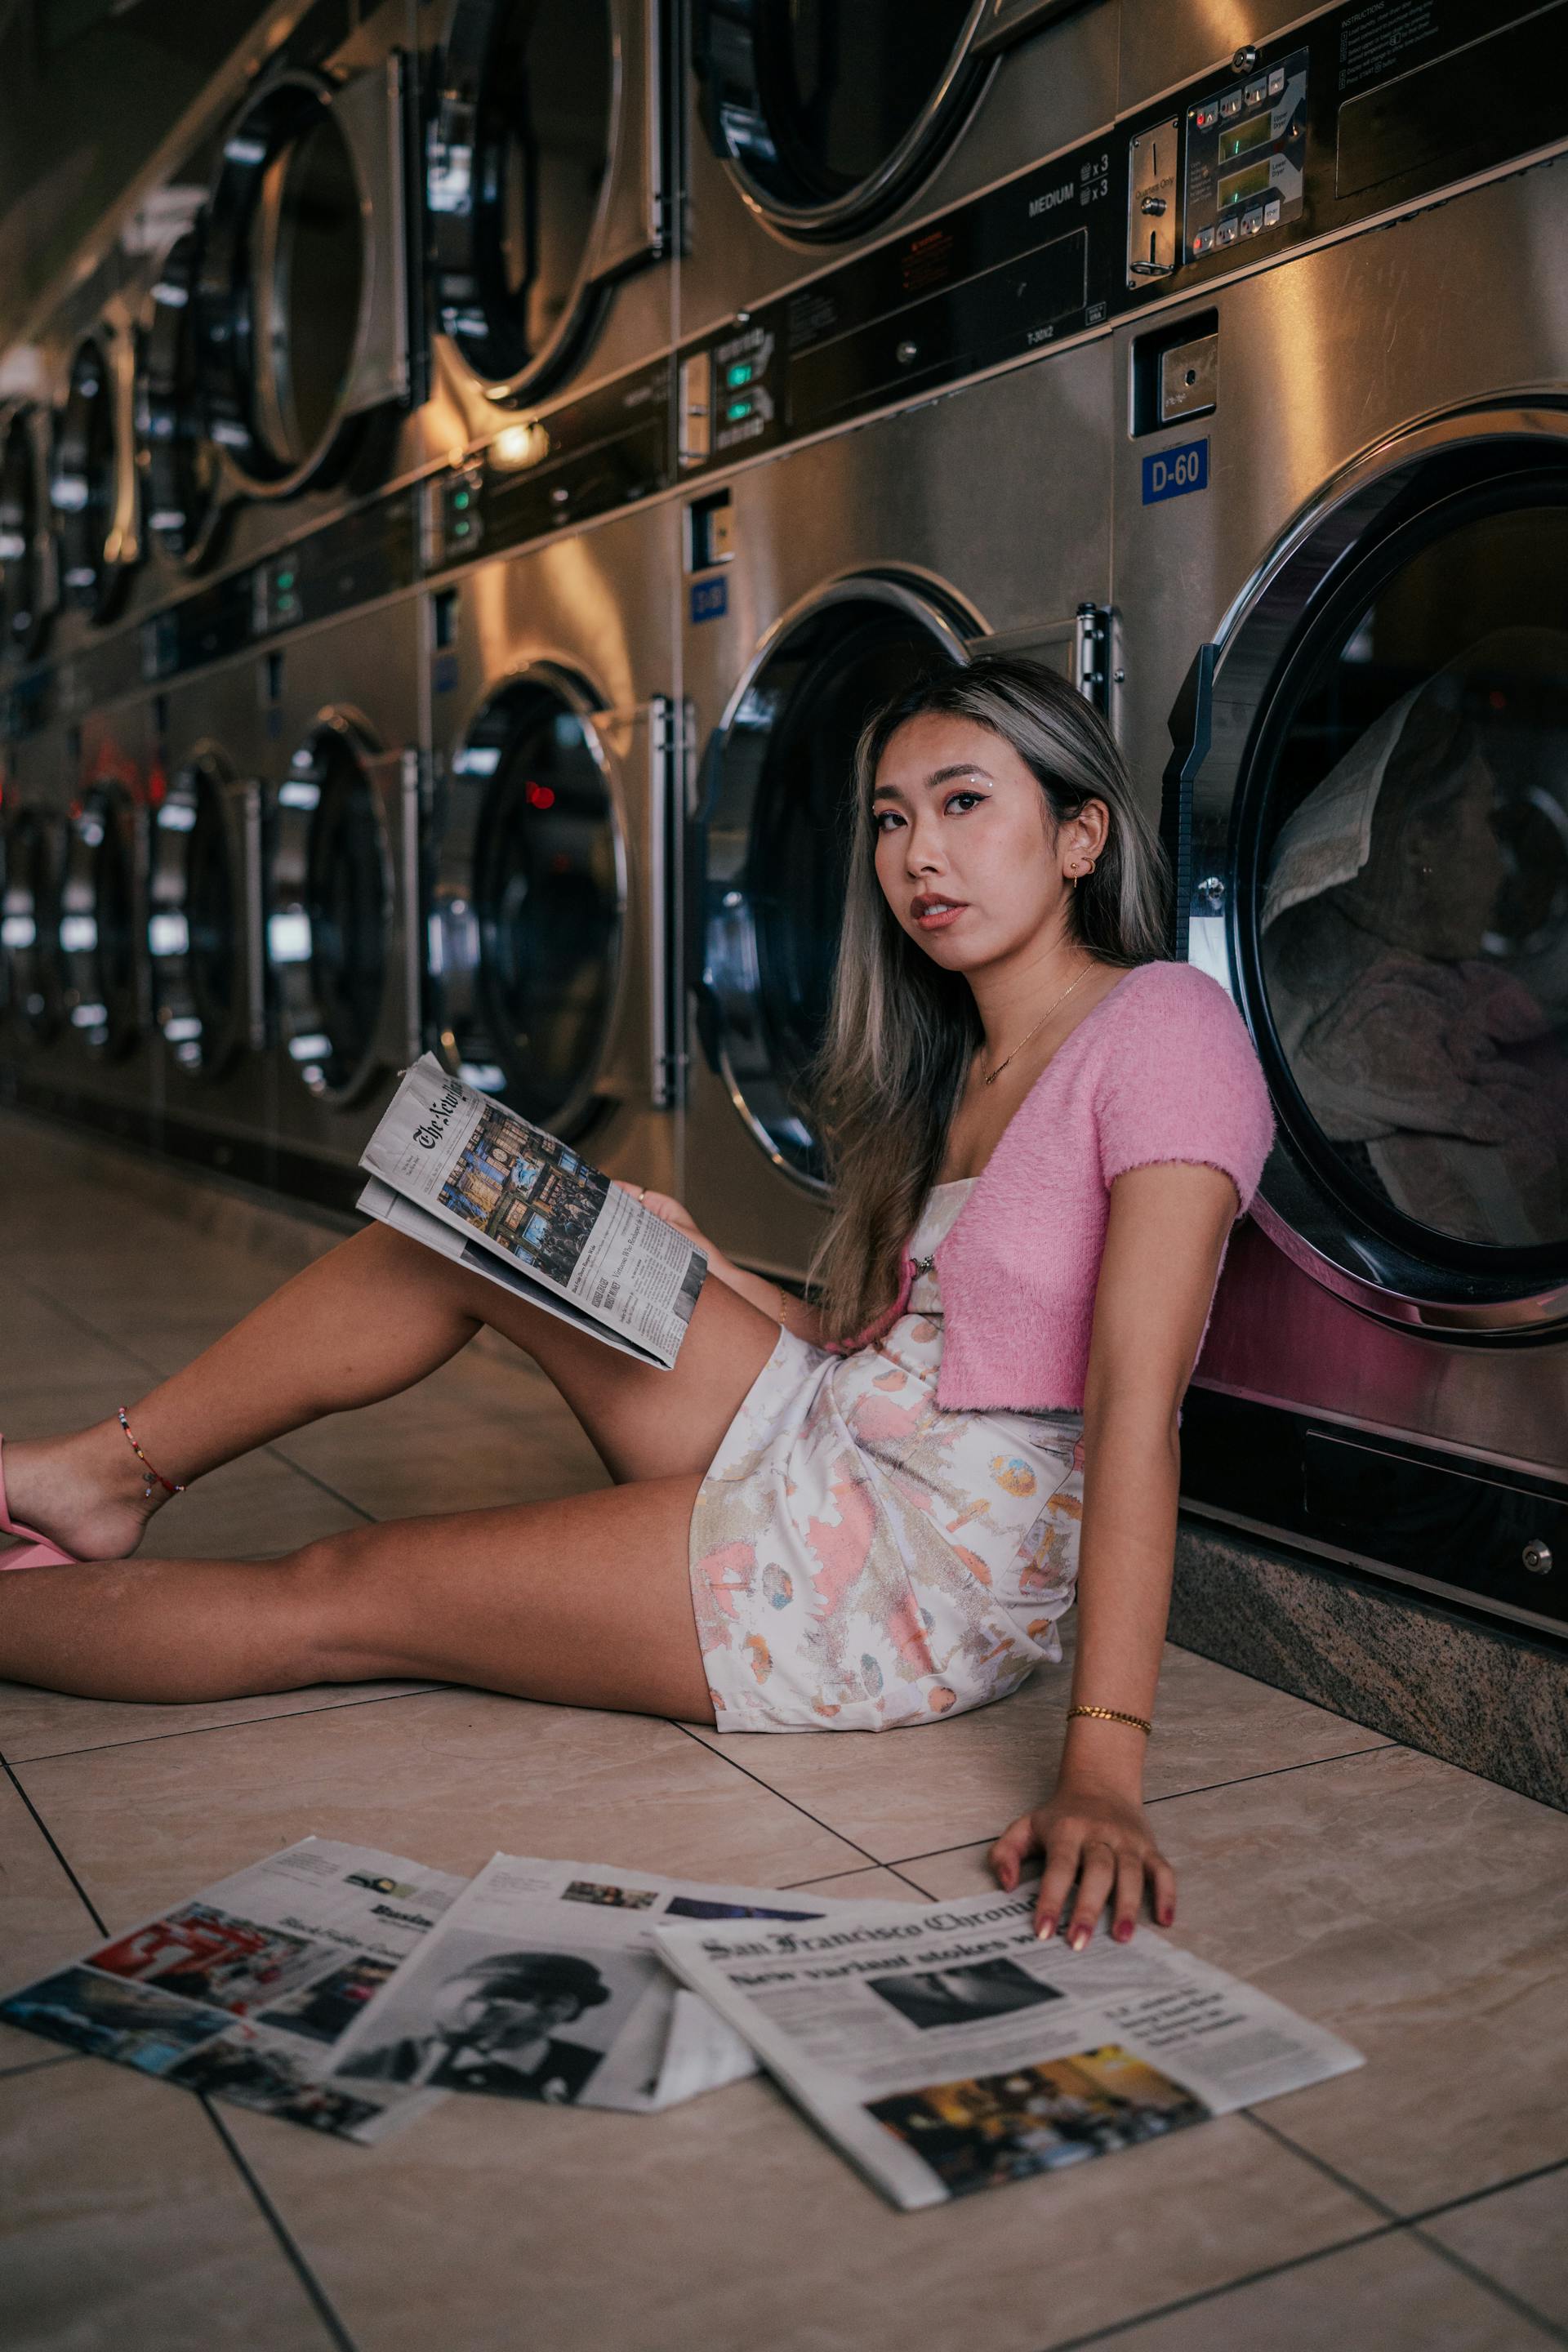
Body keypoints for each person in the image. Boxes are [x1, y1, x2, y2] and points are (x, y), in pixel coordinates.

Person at [0, 657, 1273, 1947]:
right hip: (835, 1428)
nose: (918, 857)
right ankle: (108, 1473)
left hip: (918, 1567)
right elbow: (898, 1354)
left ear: (1080, 835)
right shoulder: (960, 1060)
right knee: (468, 1230)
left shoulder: (1164, 1027)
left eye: (961, 804)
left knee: (347, 1588)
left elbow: (1131, 1414)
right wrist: (710, 1271)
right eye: (890, 819)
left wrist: (1104, 1772)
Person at [337, 1950, 610, 2101]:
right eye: (480, 1997)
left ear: (565, 2010)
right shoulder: (387, 2059)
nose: (486, 2012)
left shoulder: (594, 2071)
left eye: (556, 2004)